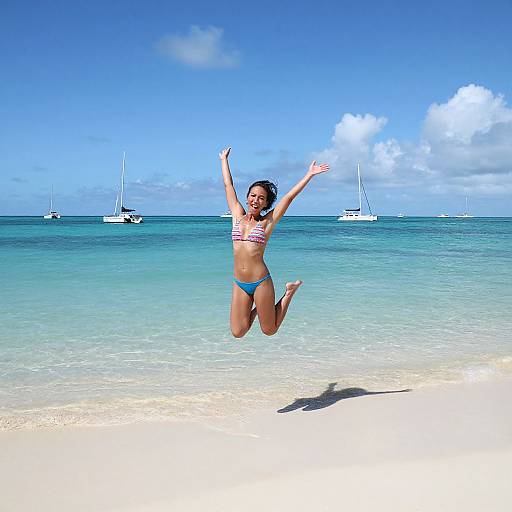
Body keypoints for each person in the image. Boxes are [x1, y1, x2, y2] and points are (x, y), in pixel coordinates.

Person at [219, 147, 329, 338]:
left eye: (261, 198)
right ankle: (263, 310)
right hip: (240, 283)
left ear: (265, 204)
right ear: (247, 197)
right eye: (253, 195)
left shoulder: (266, 223)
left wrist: (309, 175)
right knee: (238, 332)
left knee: (269, 330)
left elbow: (289, 198)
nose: (256, 200)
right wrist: (223, 160)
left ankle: (289, 293)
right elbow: (228, 186)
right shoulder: (237, 215)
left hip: (261, 281)